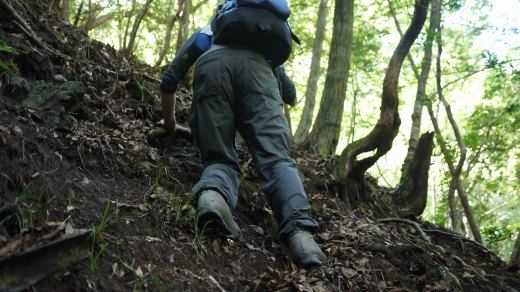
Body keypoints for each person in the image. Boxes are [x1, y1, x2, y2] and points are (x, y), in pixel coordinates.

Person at [159, 22, 326, 267]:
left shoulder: (209, 30)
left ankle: (212, 198)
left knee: (218, 158)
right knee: (277, 161)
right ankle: (301, 238)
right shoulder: (263, 41)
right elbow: (291, 96)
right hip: (259, 73)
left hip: (211, 68)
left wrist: (170, 123)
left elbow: (169, 78)